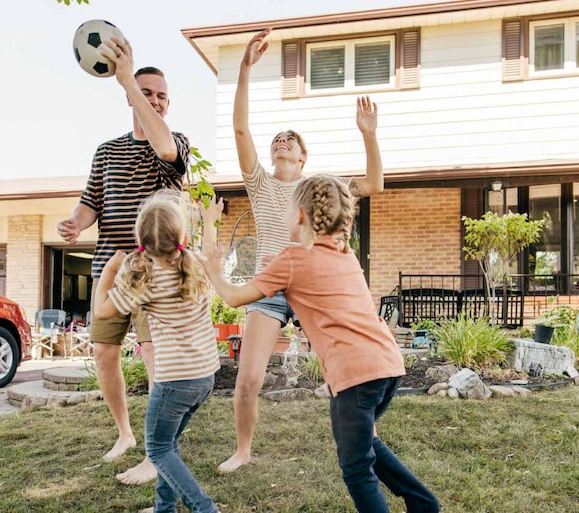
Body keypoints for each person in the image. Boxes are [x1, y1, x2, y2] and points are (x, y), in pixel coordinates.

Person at [197, 176, 440, 513]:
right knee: (363, 442)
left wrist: (212, 267)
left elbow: (235, 296)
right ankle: (423, 503)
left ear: (298, 216)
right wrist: (280, 268)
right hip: (387, 366)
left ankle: (424, 503)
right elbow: (312, 276)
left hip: (356, 375)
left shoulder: (291, 260)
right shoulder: (345, 253)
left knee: (356, 468)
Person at [219, 27, 384, 474]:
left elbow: (372, 185)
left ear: (304, 157)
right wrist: (244, 68)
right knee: (249, 378)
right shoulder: (260, 183)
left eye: (291, 140)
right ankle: (243, 450)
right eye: (278, 139)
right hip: (271, 286)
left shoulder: (318, 189)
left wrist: (369, 134)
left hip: (315, 282)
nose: (282, 141)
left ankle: (369, 438)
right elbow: (239, 127)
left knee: (349, 370)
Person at [57, 36, 188, 485]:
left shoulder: (172, 143)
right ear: (129, 98)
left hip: (155, 271)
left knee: (154, 355)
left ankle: (158, 450)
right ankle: (125, 434)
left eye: (161, 96)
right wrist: (75, 223)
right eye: (146, 92)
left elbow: (167, 151)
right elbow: (91, 201)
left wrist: (129, 80)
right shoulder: (106, 150)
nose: (154, 100)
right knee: (103, 353)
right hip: (107, 270)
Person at [94, 191, 222, 513]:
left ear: (141, 239)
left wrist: (109, 272)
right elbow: (210, 249)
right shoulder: (193, 264)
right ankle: (165, 509)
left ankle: (204, 508)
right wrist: (209, 222)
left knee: (159, 447)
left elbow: (102, 312)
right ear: (181, 236)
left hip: (174, 381)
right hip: (205, 376)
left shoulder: (144, 278)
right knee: (170, 444)